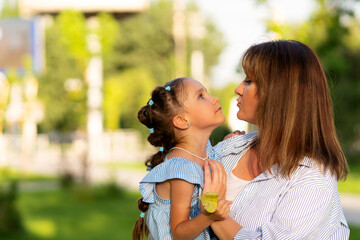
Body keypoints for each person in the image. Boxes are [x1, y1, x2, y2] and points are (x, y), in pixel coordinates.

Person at [207, 40, 350, 239]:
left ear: (277, 94)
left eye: (249, 81)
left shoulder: (314, 178)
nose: (238, 89)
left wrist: (213, 212)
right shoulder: (231, 148)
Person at [132, 77, 231, 240]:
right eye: (201, 96)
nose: (215, 99)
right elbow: (179, 232)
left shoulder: (204, 152)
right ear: (182, 120)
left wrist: (229, 140)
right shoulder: (182, 169)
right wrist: (209, 216)